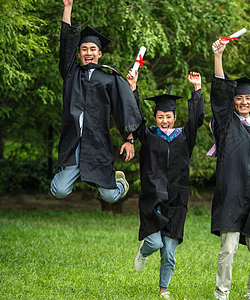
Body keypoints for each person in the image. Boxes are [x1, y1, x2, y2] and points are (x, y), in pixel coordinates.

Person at [50, 0, 143, 203]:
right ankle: (76, 172)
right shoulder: (71, 73)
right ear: (79, 53)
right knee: (59, 191)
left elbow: (124, 108)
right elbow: (66, 44)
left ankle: (118, 181)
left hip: (97, 144)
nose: (88, 52)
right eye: (84, 49)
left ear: (99, 54)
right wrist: (68, 8)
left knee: (110, 197)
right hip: (73, 143)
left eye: (93, 49)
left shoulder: (110, 78)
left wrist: (129, 140)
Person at [131, 71, 204, 299]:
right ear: (155, 118)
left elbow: (196, 119)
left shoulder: (184, 137)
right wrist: (133, 88)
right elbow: (135, 117)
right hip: (153, 198)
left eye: (169, 116)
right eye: (160, 117)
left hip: (177, 200)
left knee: (169, 252)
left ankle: (163, 289)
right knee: (154, 243)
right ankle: (143, 251)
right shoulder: (149, 136)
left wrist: (197, 89)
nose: (165, 121)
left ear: (175, 117)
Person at [208, 40, 250, 300]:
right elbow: (219, 96)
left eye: (248, 98)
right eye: (239, 98)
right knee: (229, 248)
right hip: (232, 194)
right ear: (234, 102)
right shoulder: (225, 124)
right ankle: (222, 293)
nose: (244, 102)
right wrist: (218, 57)